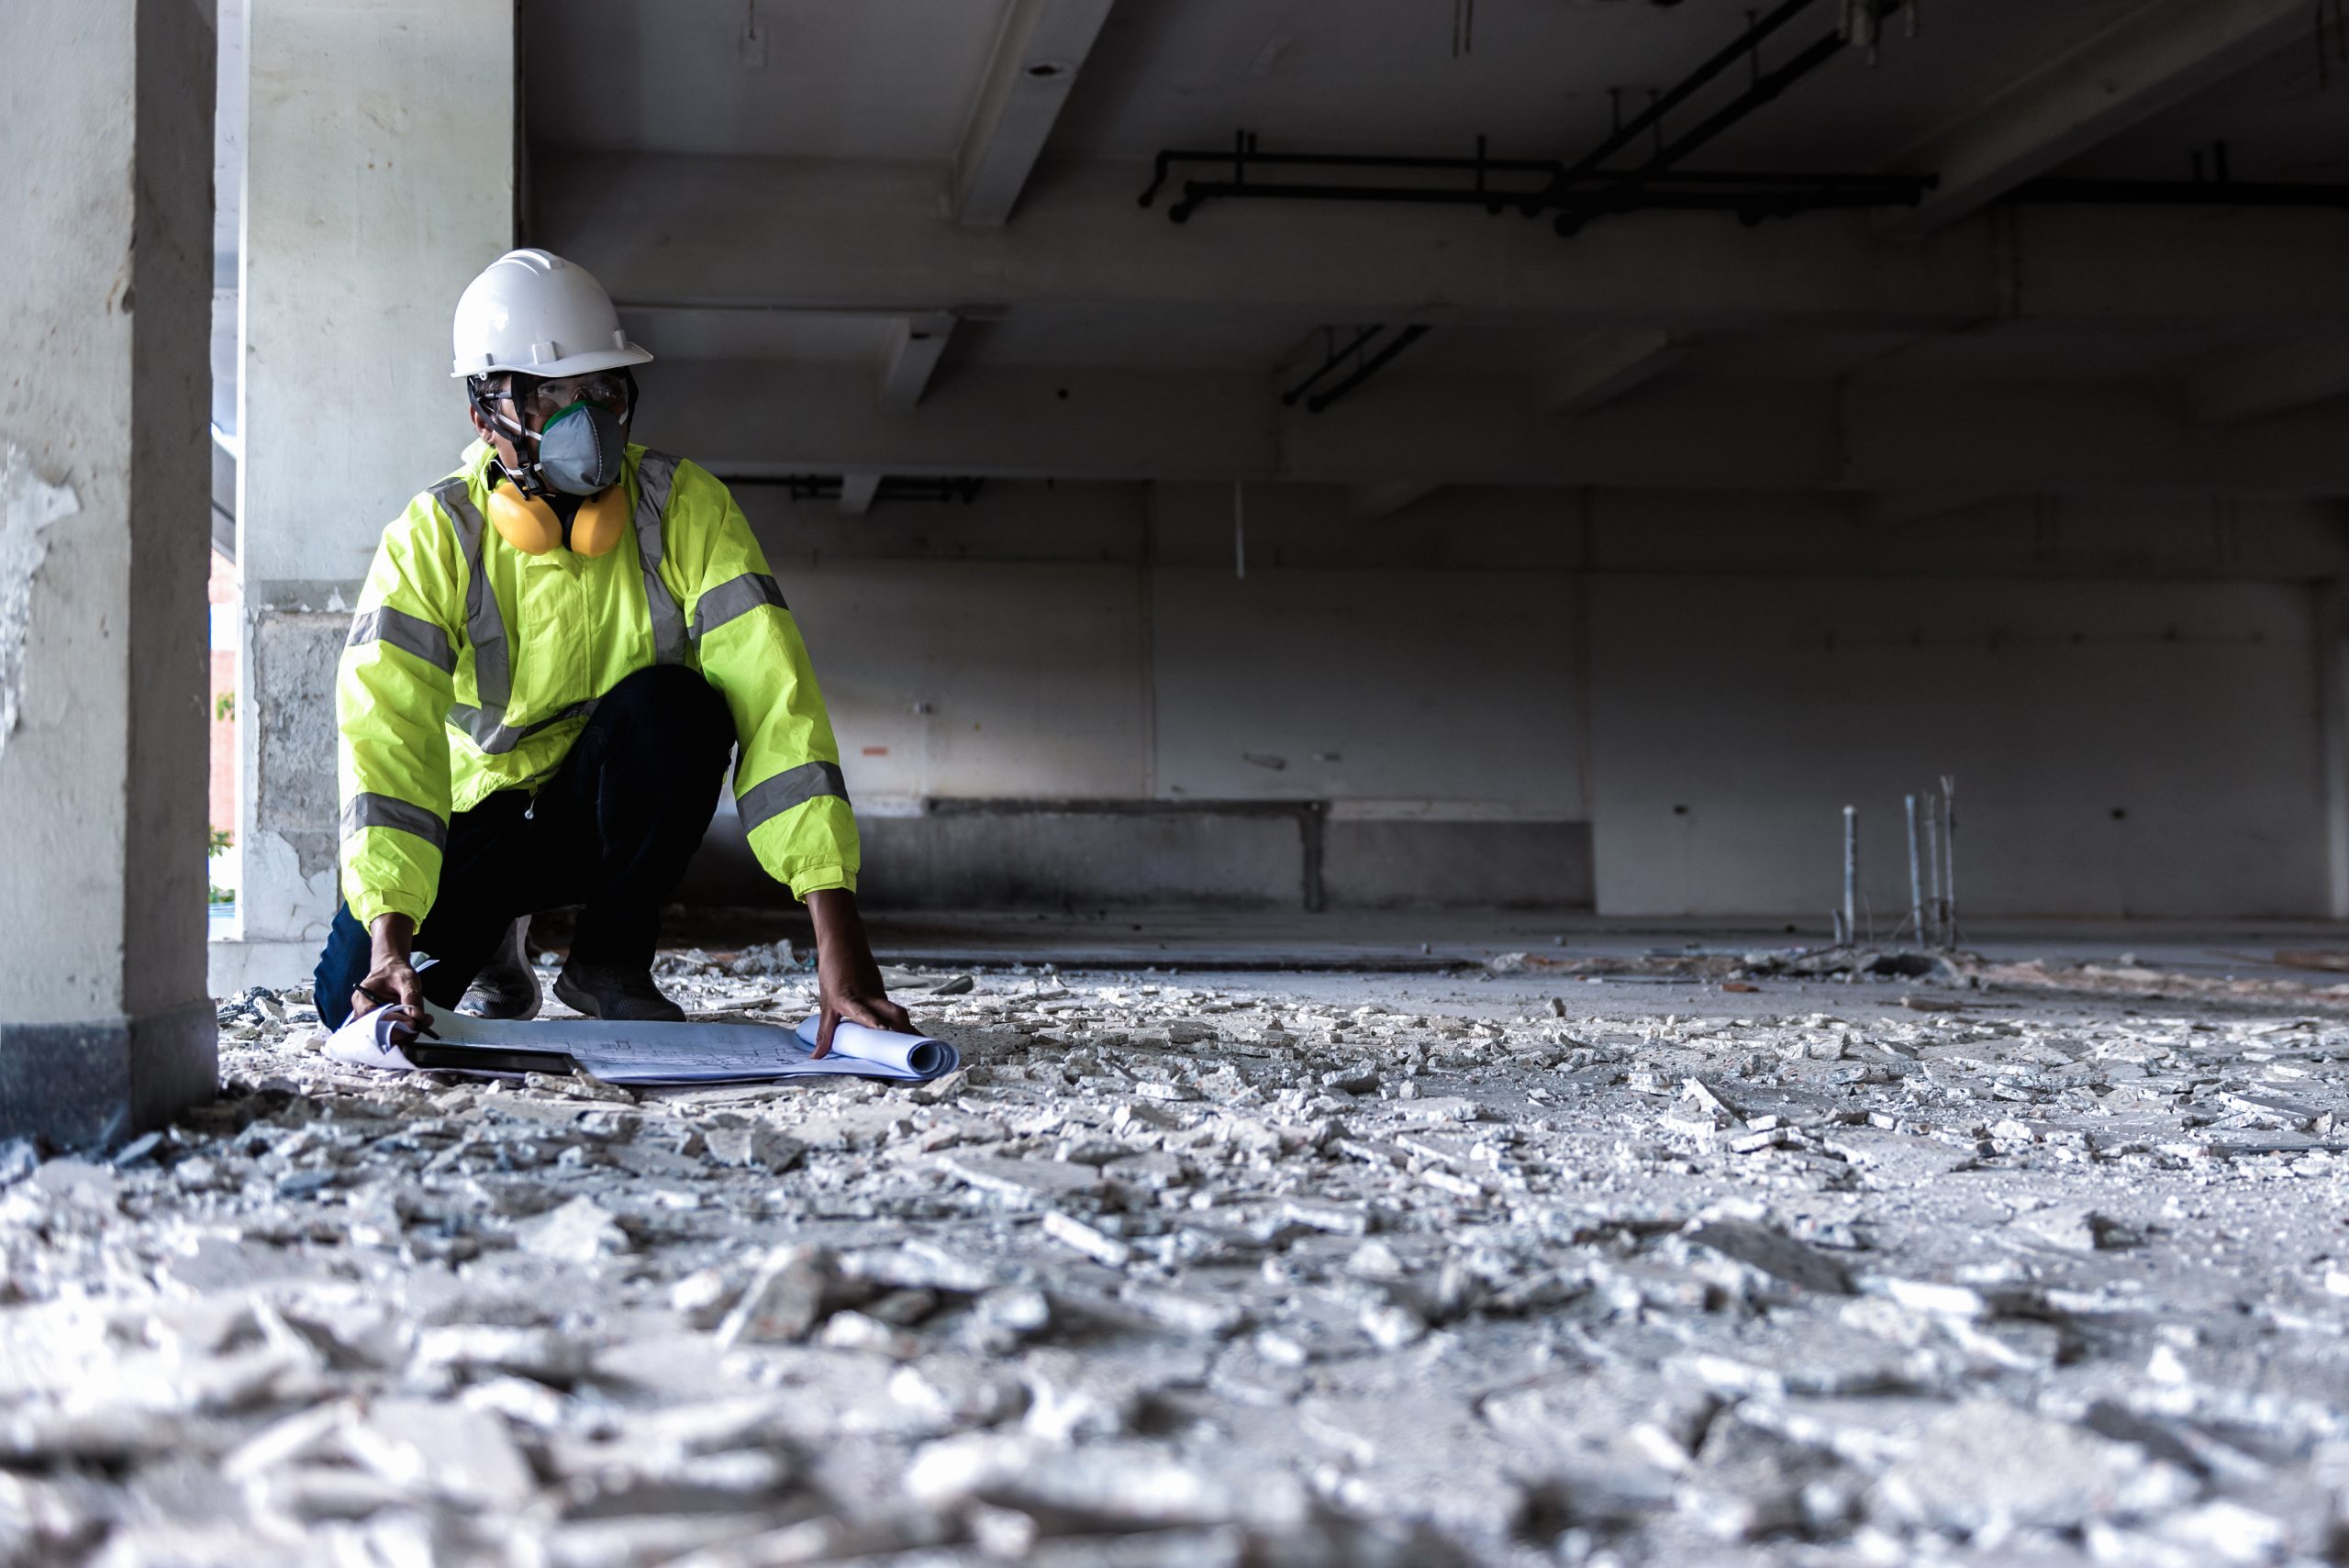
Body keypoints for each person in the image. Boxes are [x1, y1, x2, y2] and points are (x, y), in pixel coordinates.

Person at [312, 248, 908, 1052]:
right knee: (346, 1000)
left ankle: (610, 958)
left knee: (683, 710)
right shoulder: (437, 537)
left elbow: (777, 702)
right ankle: (491, 940)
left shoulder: (681, 508)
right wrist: (389, 932)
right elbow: (387, 738)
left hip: (590, 814)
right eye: (552, 395)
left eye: (601, 391)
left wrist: (839, 929)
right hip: (473, 823)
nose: (583, 420)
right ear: (485, 414)